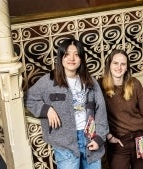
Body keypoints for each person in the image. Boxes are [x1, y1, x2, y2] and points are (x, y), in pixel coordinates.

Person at [24, 38, 109, 169]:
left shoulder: (90, 82)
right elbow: (28, 98)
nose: (72, 58)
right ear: (61, 57)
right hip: (65, 144)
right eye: (67, 54)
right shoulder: (48, 81)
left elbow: (101, 111)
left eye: (76, 54)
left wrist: (99, 138)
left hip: (91, 141)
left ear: (81, 59)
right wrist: (47, 109)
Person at [100, 49, 143, 169]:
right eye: (115, 63)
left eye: (123, 64)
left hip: (140, 140)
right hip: (119, 143)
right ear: (109, 64)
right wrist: (109, 136)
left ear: (126, 68)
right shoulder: (100, 86)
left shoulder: (135, 84)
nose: (119, 67)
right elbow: (96, 114)